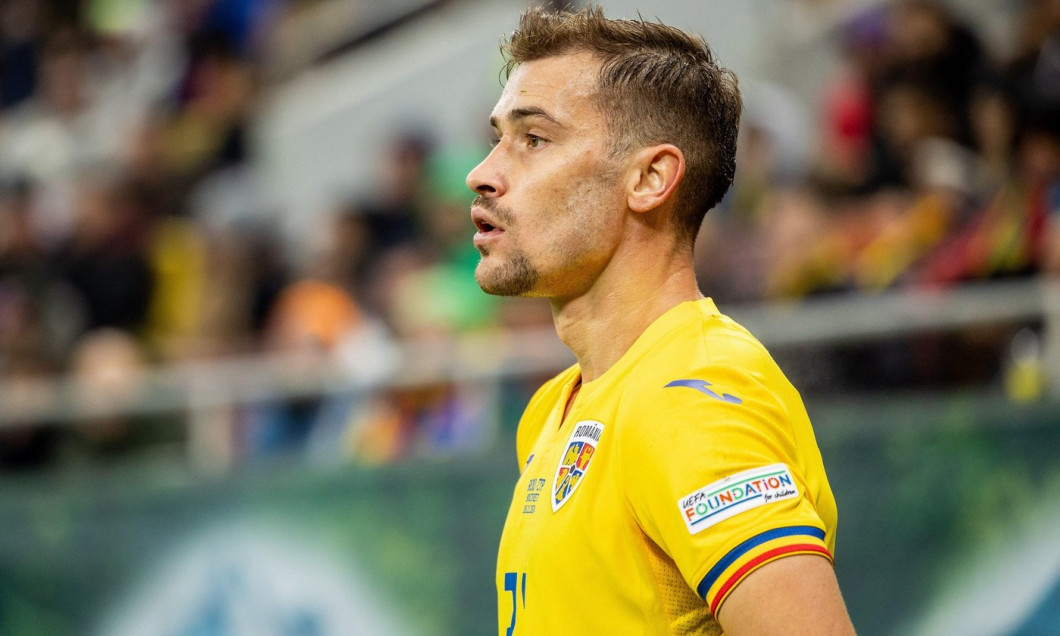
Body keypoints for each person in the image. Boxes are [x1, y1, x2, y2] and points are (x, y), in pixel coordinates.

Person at [465, 6, 856, 635]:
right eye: (497, 138)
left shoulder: (692, 396)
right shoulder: (554, 409)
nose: (481, 174)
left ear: (650, 178)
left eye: (533, 140)